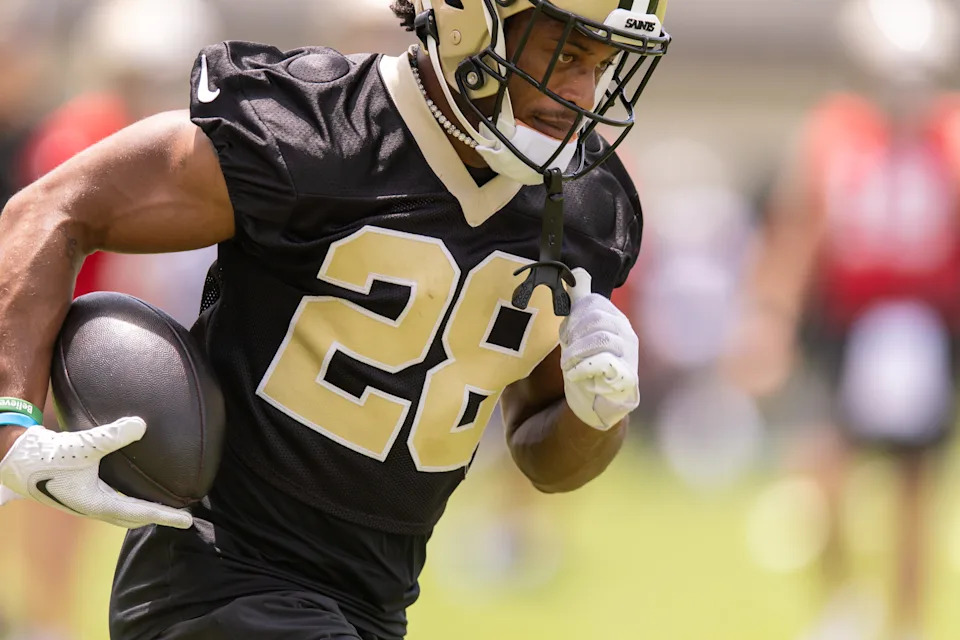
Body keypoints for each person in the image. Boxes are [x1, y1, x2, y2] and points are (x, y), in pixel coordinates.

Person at [0, 0, 671, 638]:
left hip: (372, 608)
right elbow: (52, 209)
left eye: (604, 64)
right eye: (565, 55)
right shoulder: (316, 131)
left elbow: (546, 457)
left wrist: (597, 409)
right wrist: (11, 417)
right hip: (215, 582)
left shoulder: (585, 210)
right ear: (476, 24)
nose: (585, 92)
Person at [729, 0, 959, 637]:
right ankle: (842, 608)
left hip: (927, 326)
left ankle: (906, 625)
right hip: (848, 325)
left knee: (916, 488)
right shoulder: (835, 133)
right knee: (820, 470)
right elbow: (798, 233)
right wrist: (770, 320)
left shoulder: (951, 137)